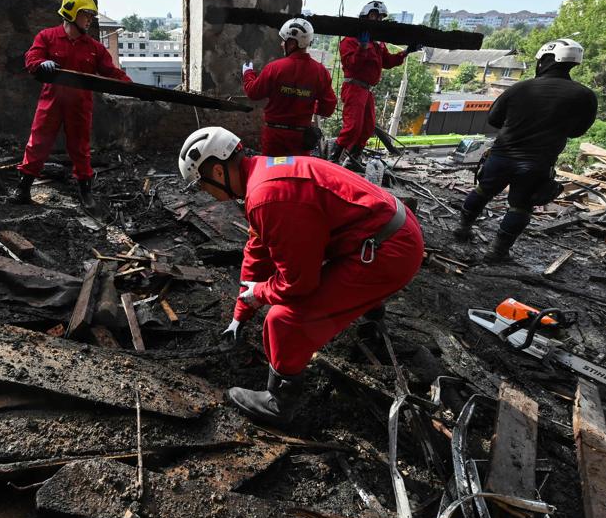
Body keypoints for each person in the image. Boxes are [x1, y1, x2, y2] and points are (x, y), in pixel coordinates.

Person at [178, 127, 424, 425]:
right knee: (307, 288)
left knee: (283, 321)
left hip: (388, 253)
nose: (208, 195)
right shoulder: (262, 174)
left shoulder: (267, 198)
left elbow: (298, 283)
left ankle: (278, 403)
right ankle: (371, 309)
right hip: (387, 231)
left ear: (217, 171)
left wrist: (260, 294)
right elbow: (258, 249)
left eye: (203, 186)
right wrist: (239, 314)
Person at [453, 39, 597, 261]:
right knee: (520, 207)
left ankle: (462, 228)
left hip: (501, 155)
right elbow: (577, 132)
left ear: (546, 60)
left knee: (483, 191)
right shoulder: (584, 96)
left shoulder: (520, 87)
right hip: (537, 163)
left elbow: (494, 119)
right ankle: (497, 252)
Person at [12, 0, 132, 210]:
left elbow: (111, 72)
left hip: (79, 105)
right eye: (86, 14)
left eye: (90, 16)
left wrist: (132, 87)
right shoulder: (47, 37)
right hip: (51, 101)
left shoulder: (94, 48)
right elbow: (32, 58)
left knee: (80, 148)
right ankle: (23, 188)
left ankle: (85, 193)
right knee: (37, 143)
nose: (89, 20)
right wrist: (41, 64)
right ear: (72, 13)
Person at [331, 1, 421, 164]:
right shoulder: (350, 40)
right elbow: (351, 64)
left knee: (367, 128)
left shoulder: (378, 42)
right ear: (364, 16)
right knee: (352, 127)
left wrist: (406, 52)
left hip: (366, 90)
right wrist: (362, 48)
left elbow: (387, 61)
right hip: (354, 87)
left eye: (380, 18)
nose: (377, 21)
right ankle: (332, 159)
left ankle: (353, 160)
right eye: (374, 16)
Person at [242, 17, 336, 156]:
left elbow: (253, 92)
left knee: (272, 174)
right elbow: (328, 109)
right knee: (296, 175)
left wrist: (248, 74)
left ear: (292, 43)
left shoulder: (274, 68)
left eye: (284, 41)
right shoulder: (320, 72)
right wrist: (306, 103)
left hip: (274, 136)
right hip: (301, 138)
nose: (281, 44)